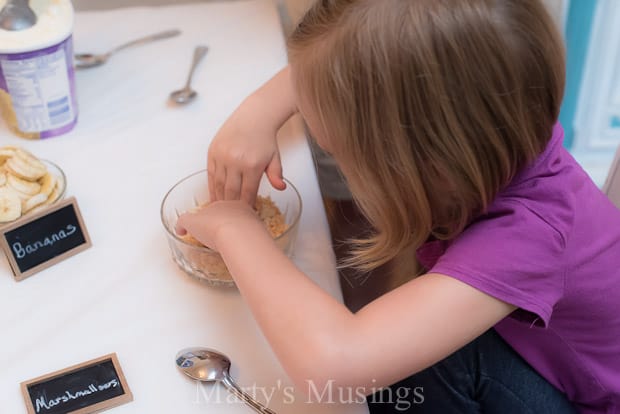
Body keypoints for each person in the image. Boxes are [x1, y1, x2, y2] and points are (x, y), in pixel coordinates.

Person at [177, 0, 620, 412]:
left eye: (341, 151)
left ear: (415, 157)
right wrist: (258, 111)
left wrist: (237, 229)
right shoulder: (495, 119)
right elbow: (364, 59)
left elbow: (332, 369)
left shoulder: (531, 236)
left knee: (413, 366)